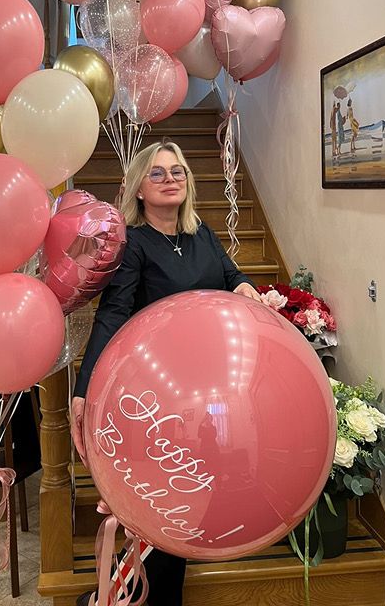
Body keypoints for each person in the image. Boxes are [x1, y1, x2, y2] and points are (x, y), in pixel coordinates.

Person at [71, 140, 261, 606]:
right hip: (156, 397)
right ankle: (123, 594)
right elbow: (112, 315)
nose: (170, 179)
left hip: (207, 393)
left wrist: (246, 288)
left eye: (178, 171)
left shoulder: (203, 235)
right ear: (138, 188)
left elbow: (230, 275)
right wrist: (84, 387)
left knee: (191, 503)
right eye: (157, 173)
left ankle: (125, 591)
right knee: (168, 505)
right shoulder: (133, 246)